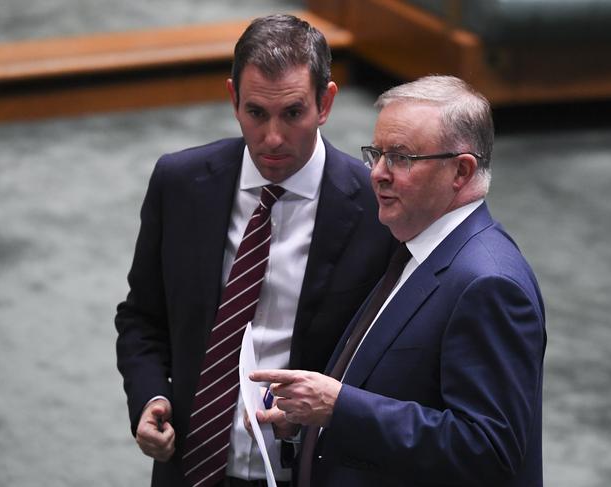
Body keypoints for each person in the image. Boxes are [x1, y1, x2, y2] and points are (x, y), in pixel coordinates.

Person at [114, 14, 394, 487]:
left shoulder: (377, 208)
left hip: (308, 471)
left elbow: (390, 357)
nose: (273, 138)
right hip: (189, 467)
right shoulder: (179, 183)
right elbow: (142, 317)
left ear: (325, 103)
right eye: (256, 113)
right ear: (233, 100)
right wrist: (147, 397)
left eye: (293, 113)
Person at [251, 75, 547, 487]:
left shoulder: (489, 284)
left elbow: (488, 449)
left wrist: (340, 408)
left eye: (401, 158)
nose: (377, 174)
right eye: (377, 154)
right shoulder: (414, 250)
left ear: (461, 171)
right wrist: (310, 421)